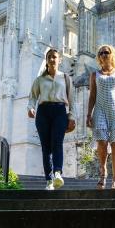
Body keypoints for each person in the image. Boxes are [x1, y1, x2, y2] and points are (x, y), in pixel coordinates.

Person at [86, 44, 115, 190]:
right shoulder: (95, 74)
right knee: (101, 142)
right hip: (100, 109)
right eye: (100, 53)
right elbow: (92, 95)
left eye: (106, 52)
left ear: (112, 54)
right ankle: (103, 171)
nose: (103, 55)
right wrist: (88, 114)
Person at [28, 48, 75, 190]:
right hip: (43, 112)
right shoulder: (39, 80)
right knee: (45, 147)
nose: (52, 59)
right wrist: (30, 108)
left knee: (57, 143)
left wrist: (72, 117)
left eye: (54, 57)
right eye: (49, 57)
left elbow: (72, 99)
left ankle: (57, 173)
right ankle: (49, 180)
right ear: (46, 60)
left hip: (60, 111)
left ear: (59, 60)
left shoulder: (66, 78)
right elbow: (33, 97)